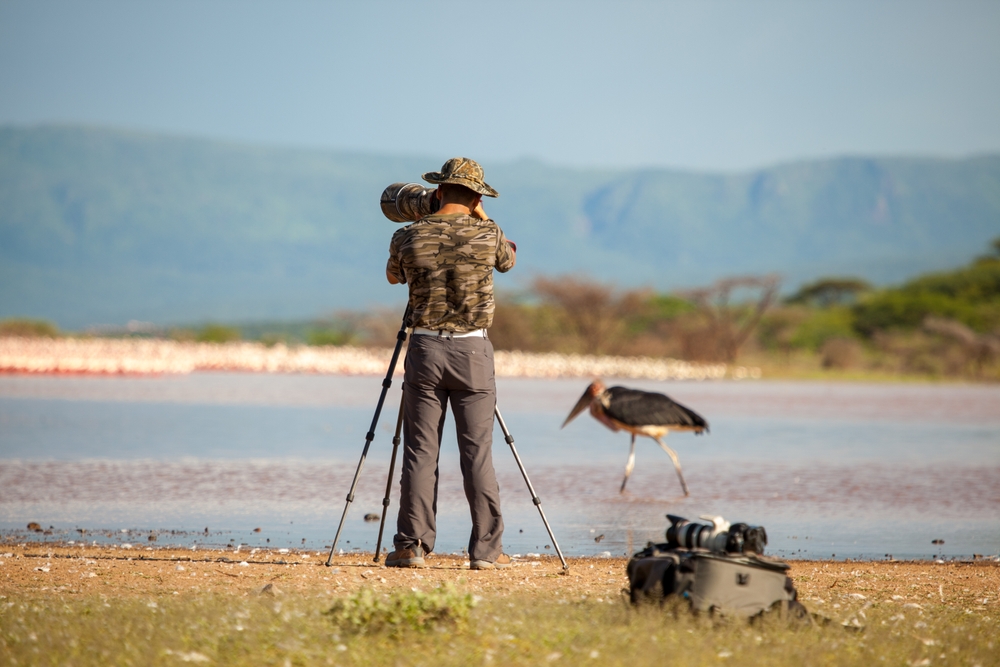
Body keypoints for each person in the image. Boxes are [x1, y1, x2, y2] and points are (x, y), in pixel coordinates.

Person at [384, 157, 516, 570]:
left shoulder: (406, 236)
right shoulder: (489, 233)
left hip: (425, 351)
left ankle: (412, 546)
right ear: (477, 197)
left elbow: (393, 278)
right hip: (473, 353)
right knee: (477, 454)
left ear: (438, 192)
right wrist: (483, 216)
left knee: (420, 451)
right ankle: (486, 553)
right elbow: (508, 260)